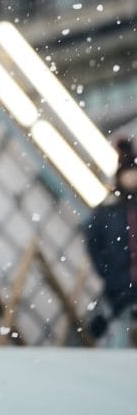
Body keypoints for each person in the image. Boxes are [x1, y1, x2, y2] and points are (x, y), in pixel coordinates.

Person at [87, 136, 137, 347]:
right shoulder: (108, 212)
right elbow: (93, 243)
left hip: (121, 284)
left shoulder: (109, 211)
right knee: (118, 338)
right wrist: (107, 271)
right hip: (119, 286)